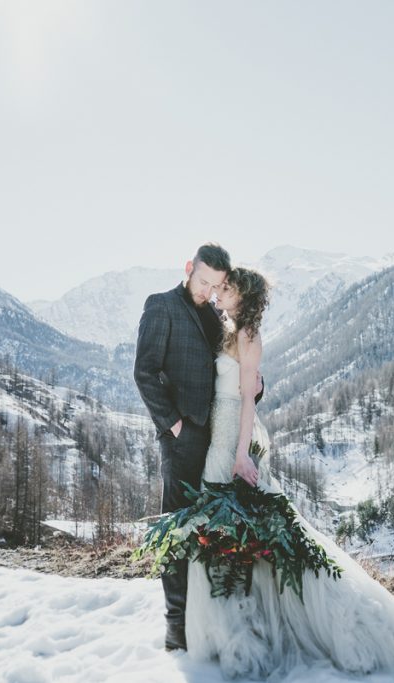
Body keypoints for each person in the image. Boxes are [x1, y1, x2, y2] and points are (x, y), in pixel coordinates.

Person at [184, 266, 394, 680]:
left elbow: (249, 403)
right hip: (218, 432)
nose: (220, 292)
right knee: (221, 530)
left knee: (241, 531)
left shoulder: (249, 336)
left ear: (244, 295)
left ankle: (256, 628)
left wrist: (240, 455)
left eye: (227, 288)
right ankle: (234, 627)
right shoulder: (229, 328)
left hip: (233, 436)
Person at [134, 243, 263, 651]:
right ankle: (177, 627)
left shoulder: (214, 315)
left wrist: (257, 390)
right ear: (189, 269)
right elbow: (145, 372)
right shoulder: (161, 305)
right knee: (177, 527)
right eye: (204, 281)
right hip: (181, 439)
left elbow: (238, 372)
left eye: (216, 285)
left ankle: (210, 621)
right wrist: (172, 426)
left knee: (211, 530)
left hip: (216, 441)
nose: (208, 291)